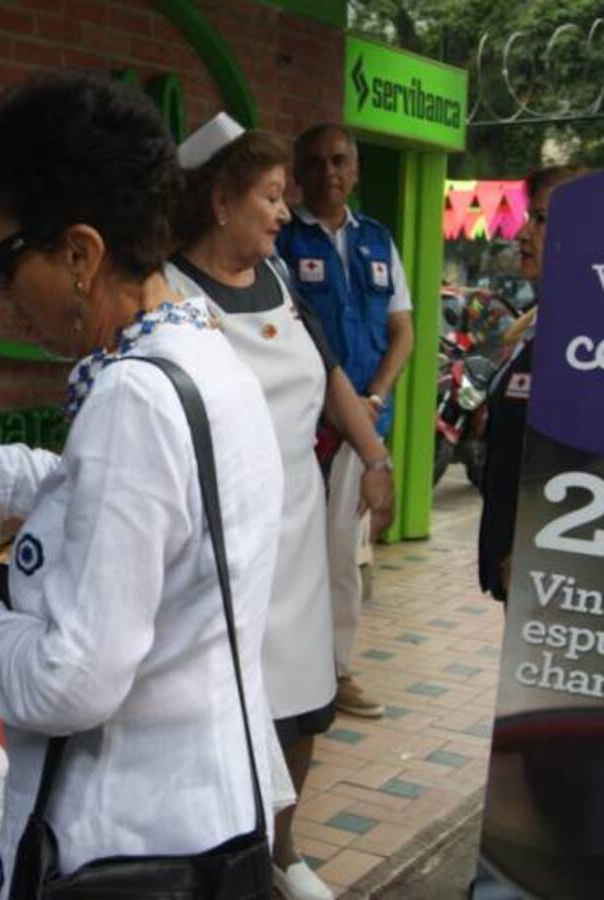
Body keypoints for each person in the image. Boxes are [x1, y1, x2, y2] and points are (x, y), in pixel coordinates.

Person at [0, 71, 282, 899]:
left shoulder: (132, 398)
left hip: (124, 839)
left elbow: (68, 682)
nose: (0, 291)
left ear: (79, 253)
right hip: (206, 808)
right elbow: (98, 498)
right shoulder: (201, 357)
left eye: (3, 257)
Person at [166, 113, 394, 900]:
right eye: (269, 196)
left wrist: (375, 456)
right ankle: (225, 858)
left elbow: (330, 377)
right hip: (219, 538)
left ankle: (283, 850)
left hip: (297, 527)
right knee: (232, 704)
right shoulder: (172, 293)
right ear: (220, 201)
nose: (282, 211)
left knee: (303, 699)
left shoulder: (282, 281)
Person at [276, 123, 415, 721]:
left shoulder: (378, 241)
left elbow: (403, 332)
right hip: (304, 426)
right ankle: (283, 670)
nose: (328, 172)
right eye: (315, 163)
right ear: (298, 176)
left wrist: (375, 398)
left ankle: (335, 671)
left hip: (362, 429)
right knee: (289, 551)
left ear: (355, 170)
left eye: (339, 161)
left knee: (343, 555)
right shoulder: (283, 240)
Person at [477, 164, 585, 603]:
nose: (522, 234)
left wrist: (536, 548)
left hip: (556, 572)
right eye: (529, 218)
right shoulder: (541, 322)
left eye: (540, 220)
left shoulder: (588, 336)